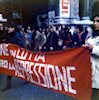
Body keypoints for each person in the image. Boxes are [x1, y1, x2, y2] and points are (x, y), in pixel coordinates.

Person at [1, 23, 24, 91]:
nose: (8, 29)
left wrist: (12, 45)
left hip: (16, 55)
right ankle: (8, 84)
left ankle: (28, 76)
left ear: (13, 28)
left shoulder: (17, 35)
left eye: (10, 27)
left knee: (21, 67)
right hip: (10, 55)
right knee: (9, 68)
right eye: (8, 27)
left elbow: (20, 44)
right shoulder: (9, 34)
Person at [84, 14, 99, 100]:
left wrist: (94, 48)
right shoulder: (92, 35)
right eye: (94, 21)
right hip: (90, 71)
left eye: (98, 21)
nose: (95, 23)